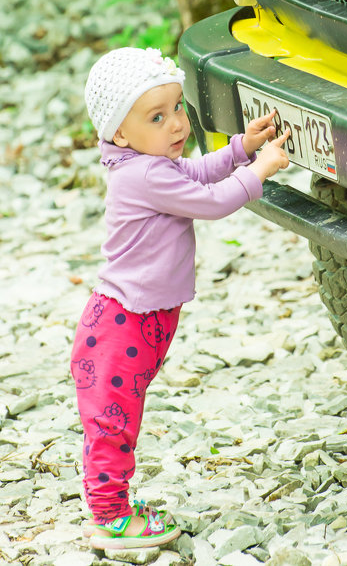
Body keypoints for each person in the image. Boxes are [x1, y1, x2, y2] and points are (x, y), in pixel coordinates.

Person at [71, 46, 290, 550]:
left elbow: (194, 174)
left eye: (176, 109)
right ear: (120, 133)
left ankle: (114, 507)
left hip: (135, 321)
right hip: (122, 324)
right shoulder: (143, 174)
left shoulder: (148, 165)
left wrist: (239, 148)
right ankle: (110, 519)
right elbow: (211, 202)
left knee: (119, 415)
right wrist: (260, 169)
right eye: (157, 116)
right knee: (113, 420)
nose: (176, 125)